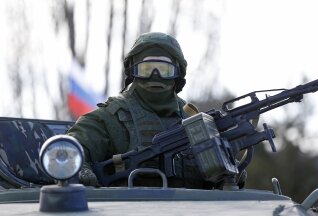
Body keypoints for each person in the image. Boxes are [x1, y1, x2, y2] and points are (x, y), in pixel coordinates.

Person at [67, 32, 211, 188]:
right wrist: (78, 168)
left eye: (164, 70)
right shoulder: (109, 118)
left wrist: (230, 172)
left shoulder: (193, 120)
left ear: (177, 74)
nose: (155, 76)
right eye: (146, 69)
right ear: (133, 71)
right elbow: (70, 150)